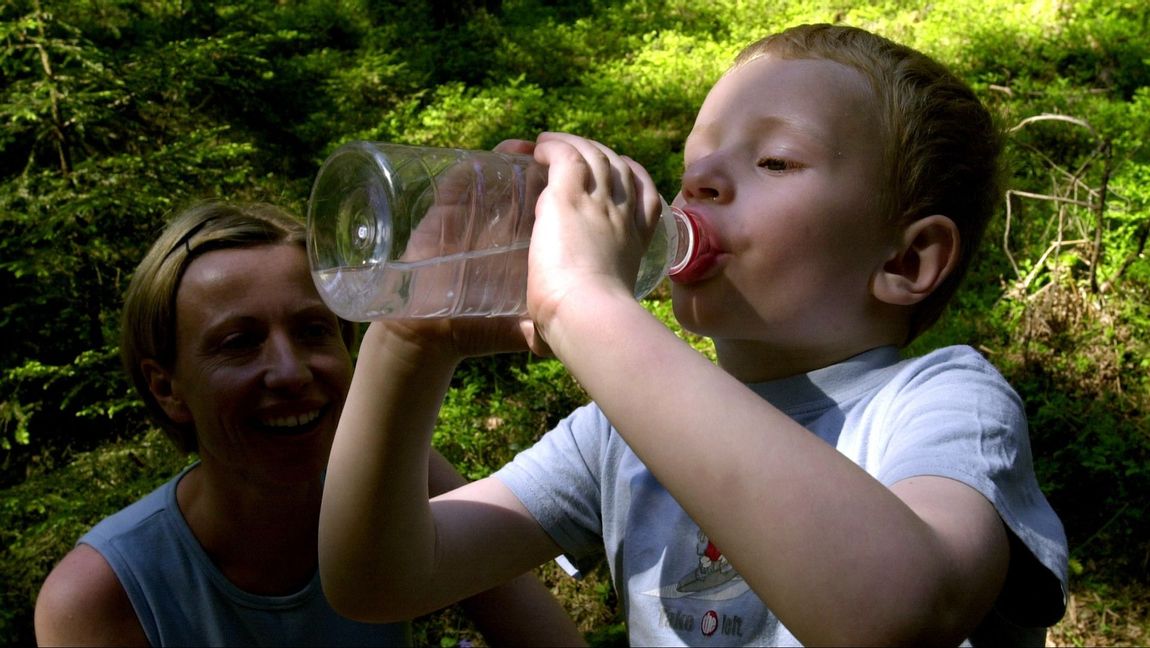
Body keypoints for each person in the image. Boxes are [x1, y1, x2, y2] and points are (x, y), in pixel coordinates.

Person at [317, 23, 1069, 646]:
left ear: (906, 260)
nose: (701, 177)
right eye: (693, 161)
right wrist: (409, 341)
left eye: (774, 159)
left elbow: (897, 611)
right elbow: (380, 581)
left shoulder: (942, 401)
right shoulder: (618, 437)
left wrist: (585, 305)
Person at [33, 201, 587, 646]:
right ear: (165, 388)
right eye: (239, 343)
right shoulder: (102, 596)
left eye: (313, 330)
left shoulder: (405, 479)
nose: (291, 371)